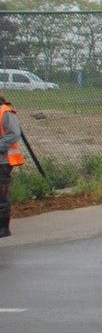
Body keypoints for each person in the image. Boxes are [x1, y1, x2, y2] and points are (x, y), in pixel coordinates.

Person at [0, 93, 24, 238]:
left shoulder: (4, 112)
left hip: (3, 162)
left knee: (1, 195)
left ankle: (3, 228)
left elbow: (14, 134)